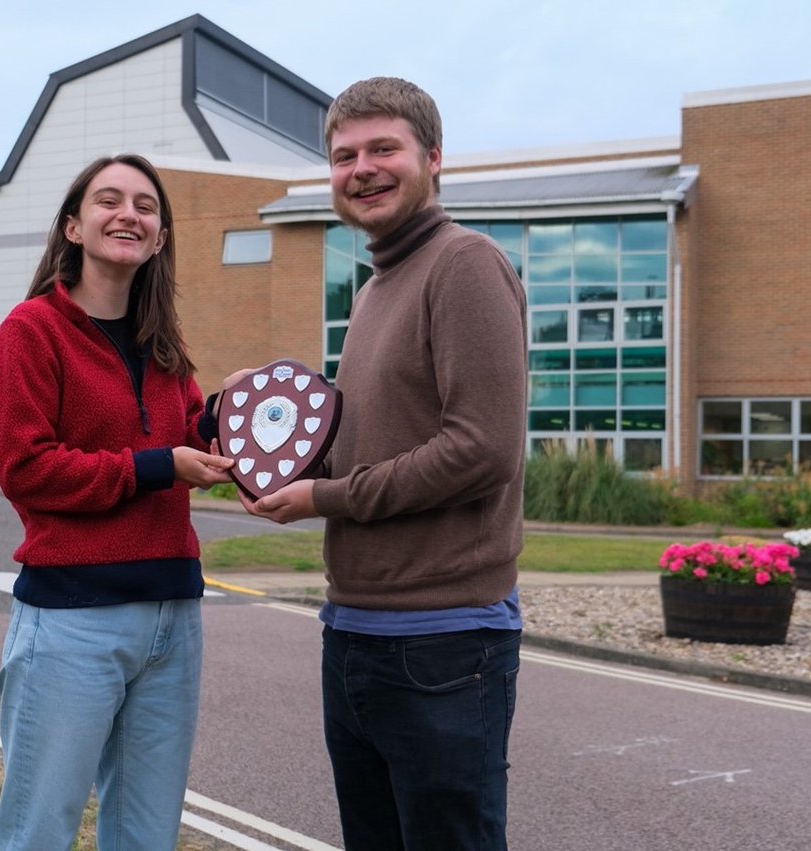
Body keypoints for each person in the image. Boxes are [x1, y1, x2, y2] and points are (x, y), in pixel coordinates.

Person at [239, 78, 528, 850]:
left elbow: (483, 449)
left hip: (443, 642)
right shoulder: (373, 291)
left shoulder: (463, 263)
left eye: (382, 149)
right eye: (343, 156)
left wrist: (325, 497)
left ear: (433, 159)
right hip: (354, 632)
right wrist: (260, 422)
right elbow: (362, 437)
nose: (361, 168)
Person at [0, 153, 233, 851]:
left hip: (172, 621)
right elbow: (27, 469)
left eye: (146, 206)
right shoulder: (29, 333)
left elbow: (190, 440)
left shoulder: (164, 347)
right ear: (73, 226)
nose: (129, 213)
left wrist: (235, 409)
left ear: (159, 238)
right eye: (109, 200)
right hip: (70, 622)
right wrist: (158, 467)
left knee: (146, 838)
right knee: (38, 833)